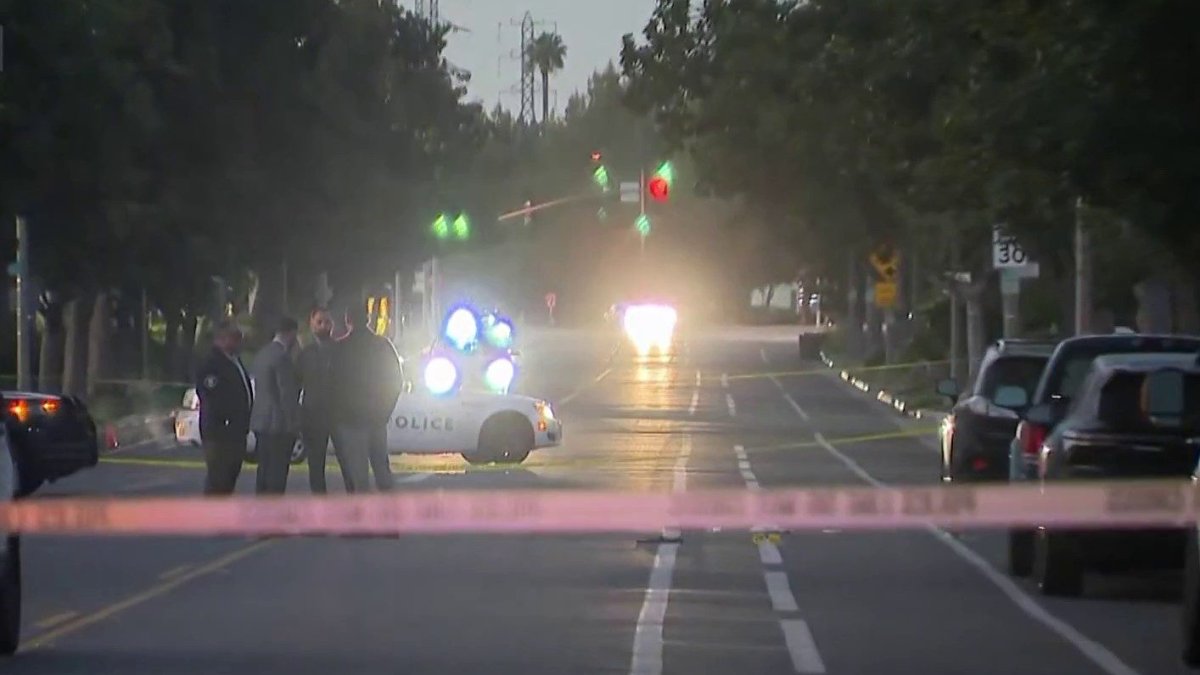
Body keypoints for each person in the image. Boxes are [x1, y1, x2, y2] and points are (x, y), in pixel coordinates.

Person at [330, 305, 403, 492]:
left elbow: (332, 385)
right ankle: (388, 514)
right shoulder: (383, 345)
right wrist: (385, 411)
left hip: (351, 420)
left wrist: (338, 414)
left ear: (348, 321)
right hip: (377, 418)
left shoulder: (340, 349)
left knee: (358, 474)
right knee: (382, 470)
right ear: (368, 319)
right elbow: (396, 380)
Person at [195, 320, 253, 495]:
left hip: (236, 433)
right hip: (220, 435)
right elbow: (212, 397)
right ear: (222, 339)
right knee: (218, 481)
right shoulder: (211, 363)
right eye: (235, 337)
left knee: (228, 482)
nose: (239, 341)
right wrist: (228, 422)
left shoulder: (234, 360)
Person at [249, 317, 301, 495]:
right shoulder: (282, 358)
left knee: (264, 469)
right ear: (291, 333)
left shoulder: (262, 354)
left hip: (261, 421)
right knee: (277, 473)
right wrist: (294, 423)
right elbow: (286, 394)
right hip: (279, 425)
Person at [297, 307, 342, 493]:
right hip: (313, 415)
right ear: (312, 324)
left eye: (327, 322)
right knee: (316, 464)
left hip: (339, 414)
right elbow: (296, 383)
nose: (323, 326)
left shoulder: (341, 351)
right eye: (319, 322)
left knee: (348, 462)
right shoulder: (305, 353)